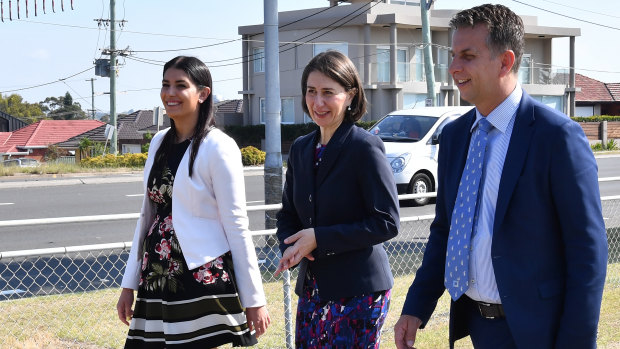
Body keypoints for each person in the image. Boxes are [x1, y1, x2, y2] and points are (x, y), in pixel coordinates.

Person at [394, 4, 608, 349]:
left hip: (543, 332)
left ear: (506, 62)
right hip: (481, 328)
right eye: (453, 56)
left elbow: (587, 252)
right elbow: (447, 230)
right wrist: (416, 306)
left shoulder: (556, 136)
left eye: (467, 56)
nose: (453, 68)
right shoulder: (454, 136)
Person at [116, 56, 270, 348]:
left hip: (201, 275)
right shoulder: (158, 142)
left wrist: (255, 300)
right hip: (157, 272)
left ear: (203, 94)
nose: (170, 93)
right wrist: (128, 284)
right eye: (165, 85)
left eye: (180, 86)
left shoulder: (219, 146)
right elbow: (146, 217)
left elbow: (236, 224)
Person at [274, 50, 400, 348]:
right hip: (313, 289)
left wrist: (319, 237)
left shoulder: (364, 147)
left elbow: (387, 222)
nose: (318, 102)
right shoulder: (301, 149)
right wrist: (291, 246)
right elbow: (287, 215)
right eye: (311, 92)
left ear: (351, 96)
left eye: (328, 93)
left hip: (359, 292)